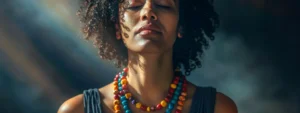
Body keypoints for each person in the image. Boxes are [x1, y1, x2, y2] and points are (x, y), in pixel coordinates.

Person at [58, 0, 237, 113]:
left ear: (181, 26)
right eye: (135, 5)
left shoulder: (218, 109)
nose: (148, 12)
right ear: (117, 28)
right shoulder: (76, 110)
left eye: (164, 5)